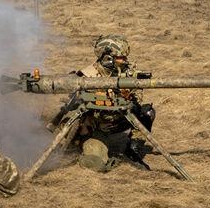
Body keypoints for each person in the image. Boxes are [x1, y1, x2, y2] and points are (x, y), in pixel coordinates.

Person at [65, 34, 156, 172]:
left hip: (118, 119)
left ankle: (133, 150)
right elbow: (75, 110)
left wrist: (128, 95)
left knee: (146, 113)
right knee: (95, 163)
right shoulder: (87, 77)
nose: (125, 60)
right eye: (121, 57)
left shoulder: (126, 72)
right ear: (108, 58)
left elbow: (137, 99)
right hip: (95, 128)